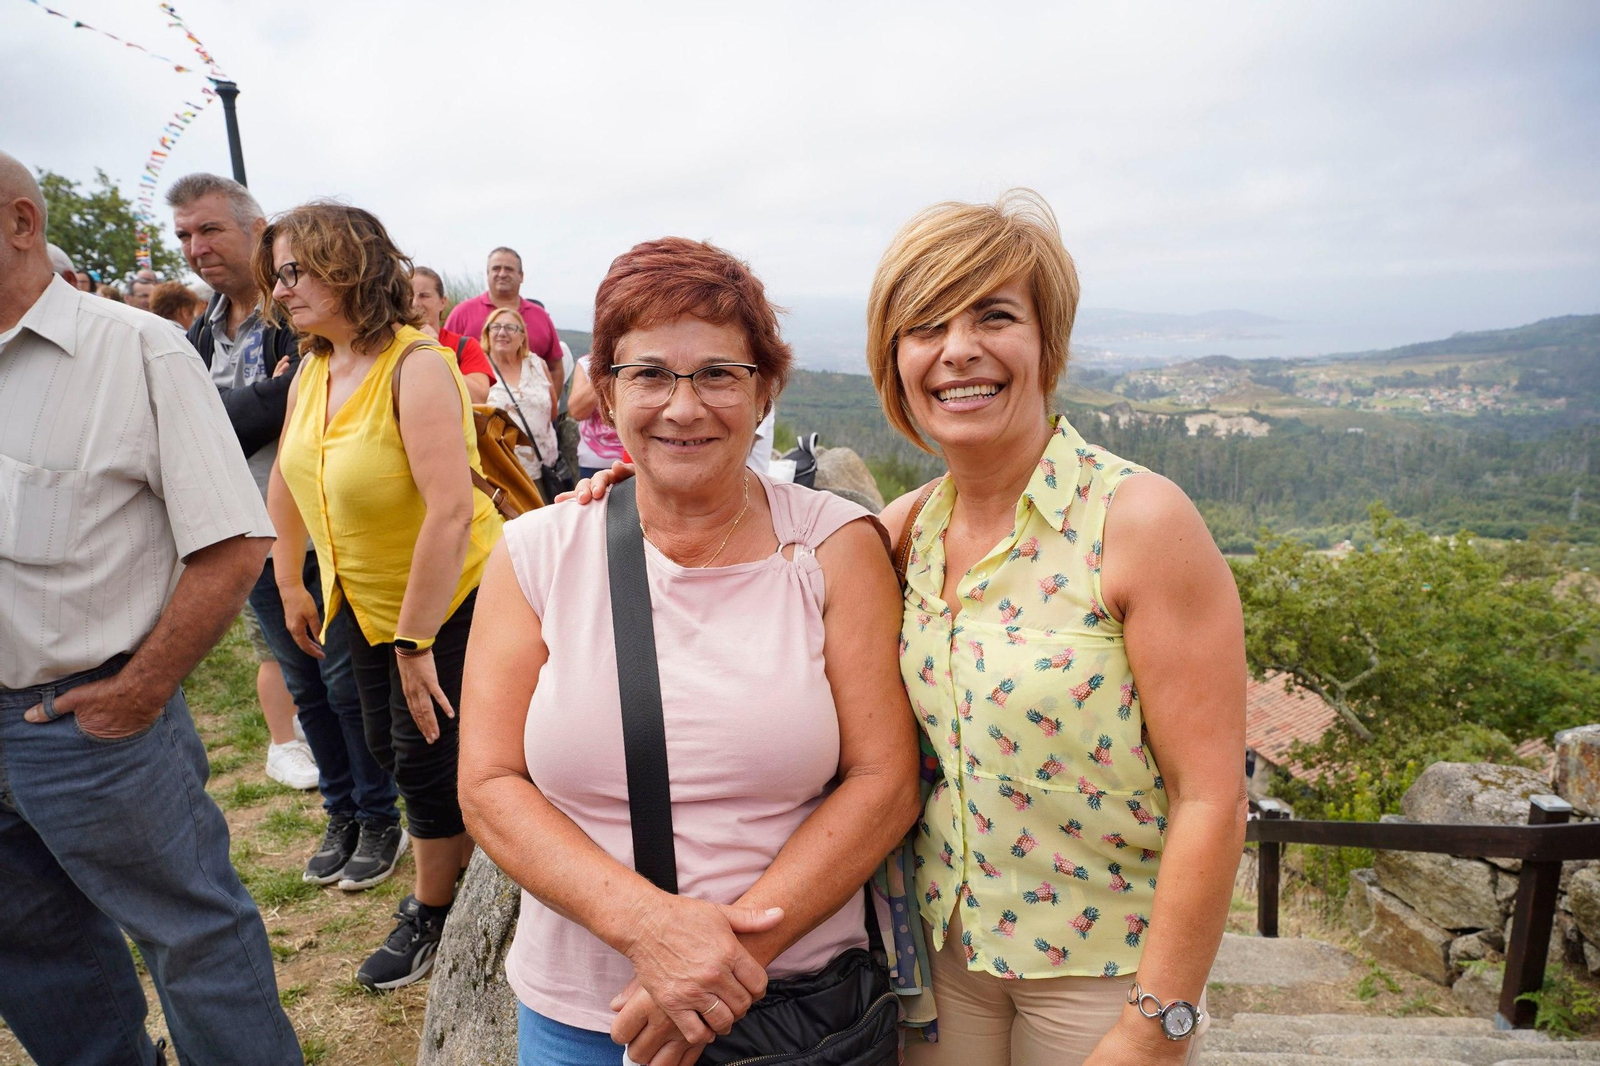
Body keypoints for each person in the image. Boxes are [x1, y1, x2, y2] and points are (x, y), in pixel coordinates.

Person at [457, 236, 921, 1065]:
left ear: (764, 387)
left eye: (717, 373)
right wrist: (651, 931)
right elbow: (489, 785)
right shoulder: (536, 554)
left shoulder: (835, 547)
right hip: (585, 1016)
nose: (684, 405)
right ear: (604, 389)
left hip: (794, 1007)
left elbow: (884, 783)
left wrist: (721, 964)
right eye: (649, 374)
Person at [871, 192, 1246, 1065]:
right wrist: (633, 505)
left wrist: (1157, 1028)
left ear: (1048, 344)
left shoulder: (1140, 523)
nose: (958, 348)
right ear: (896, 360)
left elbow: (1212, 797)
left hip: (1104, 974)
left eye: (994, 316)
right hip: (942, 963)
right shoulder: (902, 532)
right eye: (925, 324)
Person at [0, 150, 303, 1065]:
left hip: (90, 727)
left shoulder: (137, 348)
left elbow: (235, 541)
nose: (198, 248)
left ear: (20, 223)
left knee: (192, 937)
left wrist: (141, 690)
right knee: (32, 953)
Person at [260, 201, 504, 990]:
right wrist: (291, 577)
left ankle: (433, 911)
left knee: (423, 753)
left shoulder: (418, 365)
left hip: (450, 599)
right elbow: (288, 480)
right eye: (277, 275)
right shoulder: (314, 367)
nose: (281, 291)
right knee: (381, 740)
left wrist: (416, 641)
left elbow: (450, 509)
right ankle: (464, 868)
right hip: (359, 600)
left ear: (346, 269)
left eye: (294, 272)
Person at [169, 172, 402, 883]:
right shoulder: (205, 326)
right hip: (242, 531)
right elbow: (193, 423)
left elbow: (263, 412)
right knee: (302, 683)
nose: (195, 247)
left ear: (253, 230)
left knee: (343, 683)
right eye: (182, 235)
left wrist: (229, 414)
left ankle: (378, 816)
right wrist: (248, 404)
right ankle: (341, 812)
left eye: (209, 229)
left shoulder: (297, 323)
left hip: (313, 524)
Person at [443, 246, 564, 381]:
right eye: (496, 268)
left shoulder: (540, 316)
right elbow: (443, 360)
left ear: (521, 276)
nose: (502, 274)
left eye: (509, 269)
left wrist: (548, 399)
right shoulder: (462, 313)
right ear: (487, 274)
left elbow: (555, 367)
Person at [482, 306, 561, 485]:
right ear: (487, 333)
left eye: (510, 328)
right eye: (495, 327)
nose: (502, 333)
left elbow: (553, 412)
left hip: (543, 467)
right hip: (500, 472)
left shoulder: (537, 364)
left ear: (522, 336)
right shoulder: (479, 368)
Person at [411, 265, 494, 402]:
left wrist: (436, 351)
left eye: (424, 296)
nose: (414, 303)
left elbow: (479, 397)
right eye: (408, 296)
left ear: (443, 302)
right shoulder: (387, 343)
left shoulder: (465, 346)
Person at [566, 350, 627, 479]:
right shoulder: (586, 363)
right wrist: (606, 369)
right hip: (594, 463)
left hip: (639, 460)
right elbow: (577, 412)